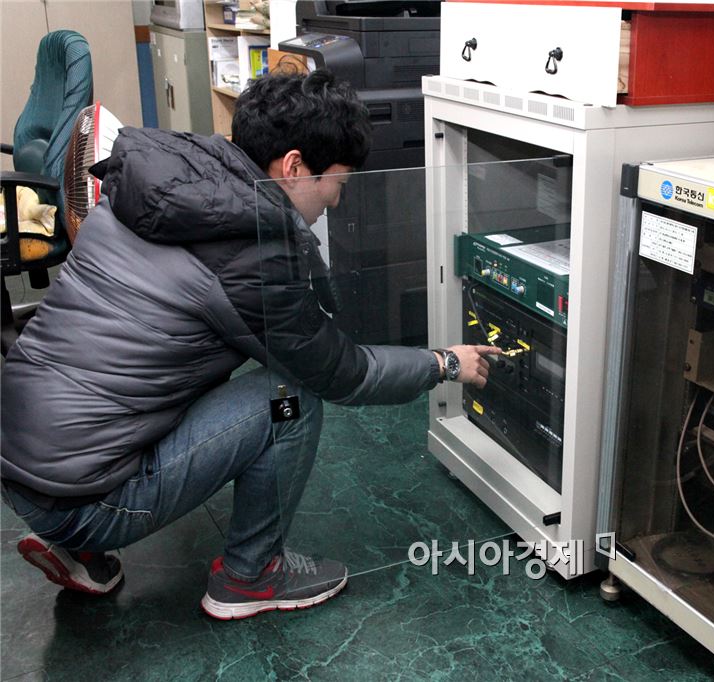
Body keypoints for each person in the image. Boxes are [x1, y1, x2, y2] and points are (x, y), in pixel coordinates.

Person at [0, 70, 499, 619]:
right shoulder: (253, 254)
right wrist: (444, 363)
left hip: (22, 460)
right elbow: (342, 373)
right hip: (89, 498)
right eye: (338, 182)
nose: (336, 200)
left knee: (164, 369)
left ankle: (76, 547)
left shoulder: (169, 177)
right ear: (294, 166)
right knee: (291, 397)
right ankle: (250, 576)